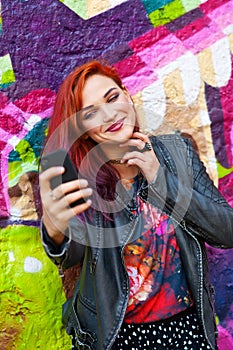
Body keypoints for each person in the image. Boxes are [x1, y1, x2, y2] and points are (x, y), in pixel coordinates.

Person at [39, 60, 233, 350]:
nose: (109, 114)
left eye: (112, 97)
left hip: (189, 332)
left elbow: (226, 230)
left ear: (128, 95)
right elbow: (72, 256)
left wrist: (160, 179)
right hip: (118, 338)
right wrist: (54, 230)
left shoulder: (177, 152)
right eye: (91, 113)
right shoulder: (81, 176)